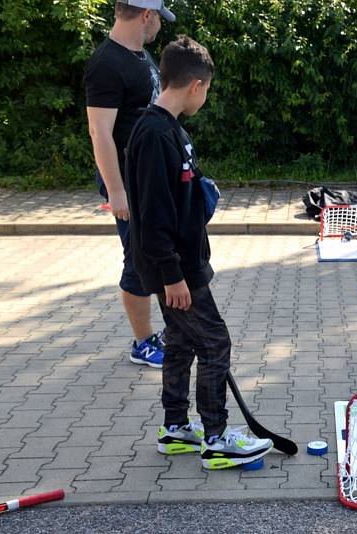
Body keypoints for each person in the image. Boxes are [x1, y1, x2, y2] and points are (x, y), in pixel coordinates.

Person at [124, 35, 272, 468]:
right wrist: (172, 275)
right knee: (215, 344)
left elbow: (177, 197)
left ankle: (175, 429)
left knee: (182, 344)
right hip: (178, 269)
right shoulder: (153, 135)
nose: (205, 95)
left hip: (183, 263)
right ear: (196, 86)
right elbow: (151, 215)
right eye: (207, 89)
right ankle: (217, 437)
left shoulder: (170, 130)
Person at [84, 1, 176, 368]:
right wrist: (117, 190)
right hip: (128, 183)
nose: (159, 28)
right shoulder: (106, 64)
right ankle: (142, 343)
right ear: (146, 15)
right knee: (138, 258)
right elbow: (99, 132)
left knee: (157, 250)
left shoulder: (139, 55)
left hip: (148, 178)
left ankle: (168, 330)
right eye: (158, 20)